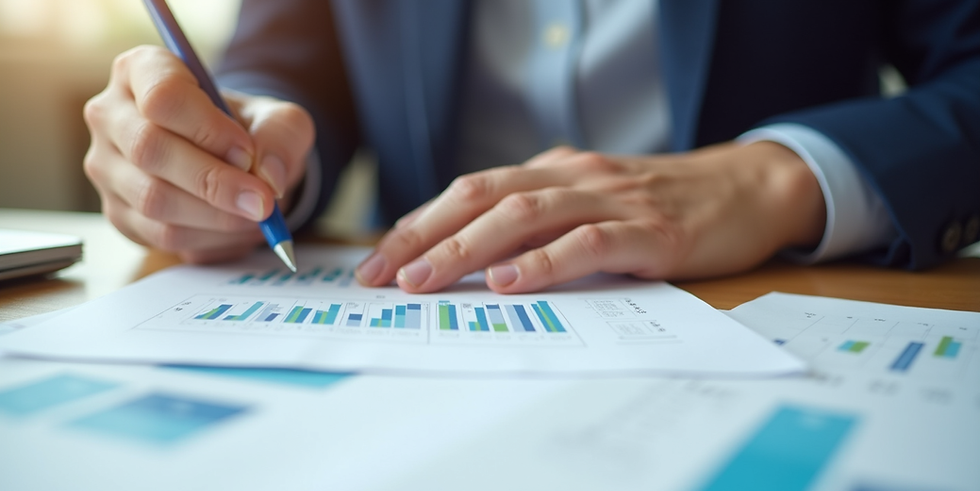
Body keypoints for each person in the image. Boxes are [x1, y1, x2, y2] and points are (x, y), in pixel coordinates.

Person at [83, 0, 980, 294]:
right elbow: (287, 59)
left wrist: (780, 174)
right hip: (423, 327)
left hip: (763, 294)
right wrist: (236, 152)